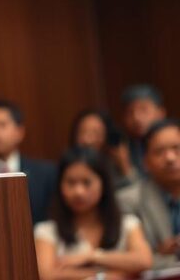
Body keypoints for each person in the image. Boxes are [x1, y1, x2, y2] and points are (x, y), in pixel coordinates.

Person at [34, 147, 152, 279]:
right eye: (71, 183)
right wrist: (107, 275)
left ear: (103, 184)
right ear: (60, 185)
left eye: (87, 182)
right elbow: (47, 275)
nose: (78, 192)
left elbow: (144, 260)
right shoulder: (47, 231)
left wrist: (92, 257)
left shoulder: (128, 224)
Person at [117, 118, 180, 270]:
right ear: (145, 162)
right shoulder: (128, 201)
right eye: (159, 152)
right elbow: (130, 263)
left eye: (177, 148)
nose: (170, 158)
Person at [70, 109, 136, 189]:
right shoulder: (68, 167)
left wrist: (125, 167)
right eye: (83, 132)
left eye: (96, 133)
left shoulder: (113, 167)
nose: (87, 140)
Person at [120, 84, 167, 178]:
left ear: (161, 113)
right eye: (130, 112)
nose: (136, 118)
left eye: (143, 110)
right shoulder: (122, 150)